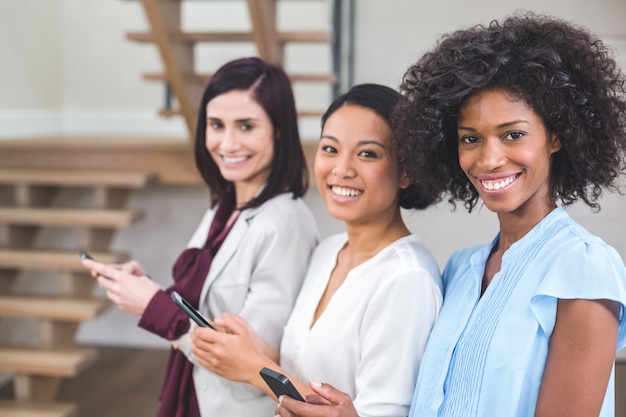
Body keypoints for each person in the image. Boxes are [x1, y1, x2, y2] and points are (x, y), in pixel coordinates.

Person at [274, 12, 626, 417]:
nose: (490, 158)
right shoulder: (460, 271)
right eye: (471, 139)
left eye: (513, 134)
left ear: (557, 135)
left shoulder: (584, 269)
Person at [81, 56, 319, 417]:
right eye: (216, 124)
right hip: (195, 395)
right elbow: (205, 307)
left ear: (279, 131)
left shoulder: (286, 223)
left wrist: (155, 307)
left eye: (246, 126)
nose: (227, 142)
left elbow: (255, 358)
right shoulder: (224, 207)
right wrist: (147, 289)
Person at [188, 83, 443, 417]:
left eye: (367, 153)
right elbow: (304, 368)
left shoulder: (407, 278)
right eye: (330, 149)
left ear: (407, 171)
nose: (342, 169)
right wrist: (252, 348)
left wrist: (253, 368)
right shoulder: (328, 251)